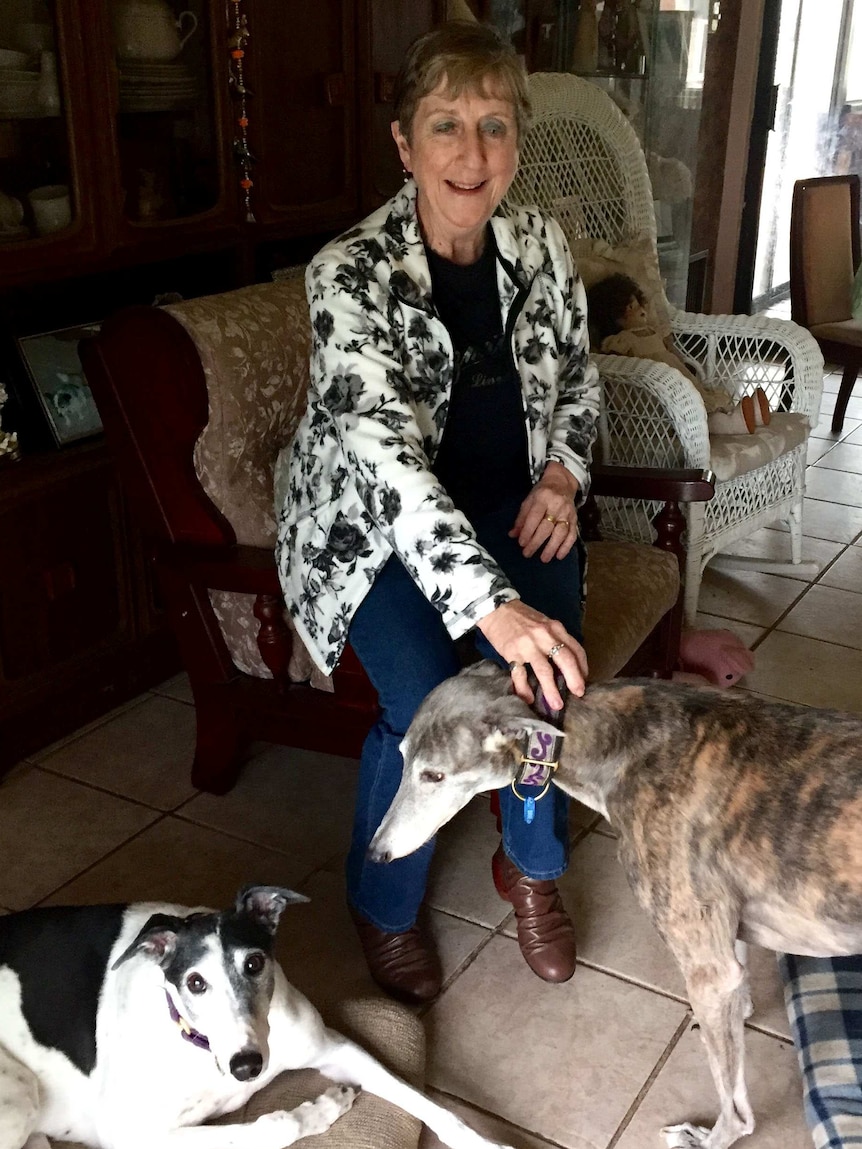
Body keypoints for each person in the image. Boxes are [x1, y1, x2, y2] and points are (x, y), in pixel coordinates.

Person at [275, 20, 599, 1005]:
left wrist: (563, 480)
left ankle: (531, 870)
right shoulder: (347, 273)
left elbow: (579, 381)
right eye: (446, 125)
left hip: (512, 505)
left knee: (543, 690)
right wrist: (488, 609)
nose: (472, 152)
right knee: (421, 705)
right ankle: (383, 901)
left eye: (493, 126)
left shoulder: (538, 242)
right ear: (404, 142)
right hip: (367, 527)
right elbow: (382, 460)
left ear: (515, 141)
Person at [586, 272, 772, 434]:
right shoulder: (623, 339)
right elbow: (610, 358)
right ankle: (731, 424)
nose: (638, 311)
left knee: (698, 396)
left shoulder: (653, 330)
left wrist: (680, 358)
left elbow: (669, 348)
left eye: (636, 304)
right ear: (612, 320)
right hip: (653, 385)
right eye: (628, 310)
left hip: (675, 373)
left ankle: (748, 414)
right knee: (688, 411)